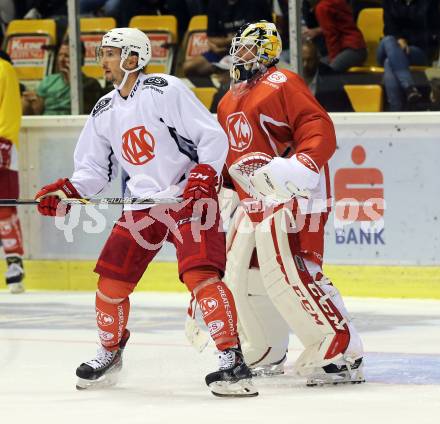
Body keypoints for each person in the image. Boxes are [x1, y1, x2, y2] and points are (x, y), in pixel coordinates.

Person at [33, 27, 257, 397]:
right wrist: (67, 191)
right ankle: (110, 351)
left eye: (108, 53)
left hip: (187, 199)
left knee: (202, 278)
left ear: (132, 58)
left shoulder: (164, 89)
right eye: (102, 53)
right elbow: (91, 171)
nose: (101, 59)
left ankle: (232, 360)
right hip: (141, 206)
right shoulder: (104, 108)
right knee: (110, 286)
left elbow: (212, 136)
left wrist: (204, 176)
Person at [217, 21, 365, 385]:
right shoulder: (227, 99)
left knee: (295, 269)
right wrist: (222, 187)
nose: (240, 55)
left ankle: (340, 349)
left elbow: (316, 125)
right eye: (238, 48)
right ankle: (265, 347)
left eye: (248, 48)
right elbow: (231, 152)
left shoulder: (281, 82)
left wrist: (301, 166)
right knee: (243, 276)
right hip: (253, 201)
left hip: (294, 194)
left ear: (267, 51)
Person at [377, 0, 440, 111]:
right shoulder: (389, 2)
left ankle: (395, 111)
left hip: (417, 50)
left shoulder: (429, 2)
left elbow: (433, 31)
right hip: (390, 46)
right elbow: (388, 28)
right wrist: (400, 39)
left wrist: (407, 42)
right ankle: (409, 87)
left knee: (389, 62)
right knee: (389, 40)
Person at [183, 0, 272, 77]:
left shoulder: (257, 2)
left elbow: (268, 32)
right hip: (225, 51)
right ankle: (216, 84)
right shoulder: (215, 3)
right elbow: (212, 38)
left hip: (253, 51)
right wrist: (230, 40)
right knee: (189, 67)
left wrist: (230, 40)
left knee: (235, 71)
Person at [22, 39, 103, 115]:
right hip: (46, 124)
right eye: (60, 55)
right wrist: (33, 103)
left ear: (80, 60)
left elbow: (89, 111)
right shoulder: (48, 81)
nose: (61, 59)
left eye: (67, 56)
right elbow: (37, 111)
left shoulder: (90, 84)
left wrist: (72, 82)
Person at [0, 50, 25, 293]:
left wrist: (3, 143)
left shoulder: (3, 69)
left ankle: (14, 265)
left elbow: (10, 110)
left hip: (1, 147)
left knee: (4, 209)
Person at [311, 0, 367, 72]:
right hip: (358, 49)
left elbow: (331, 36)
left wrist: (333, 59)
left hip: (351, 49)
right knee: (320, 65)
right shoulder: (334, 2)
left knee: (328, 72)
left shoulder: (322, 7)